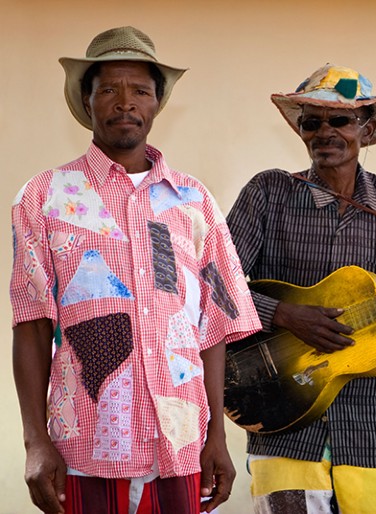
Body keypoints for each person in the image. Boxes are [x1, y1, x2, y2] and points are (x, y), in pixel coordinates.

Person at [10, 26, 261, 514]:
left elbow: (212, 329)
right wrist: (35, 442)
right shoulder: (44, 197)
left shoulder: (194, 201)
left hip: (181, 443)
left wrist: (217, 436)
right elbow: (32, 325)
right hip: (84, 444)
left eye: (140, 90)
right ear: (87, 103)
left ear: (156, 104)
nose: (125, 102)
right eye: (108, 89)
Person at [226, 64, 376, 513]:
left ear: (367, 130)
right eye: (312, 122)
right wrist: (285, 314)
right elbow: (214, 285)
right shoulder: (268, 192)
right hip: (282, 416)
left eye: (340, 120)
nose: (324, 132)